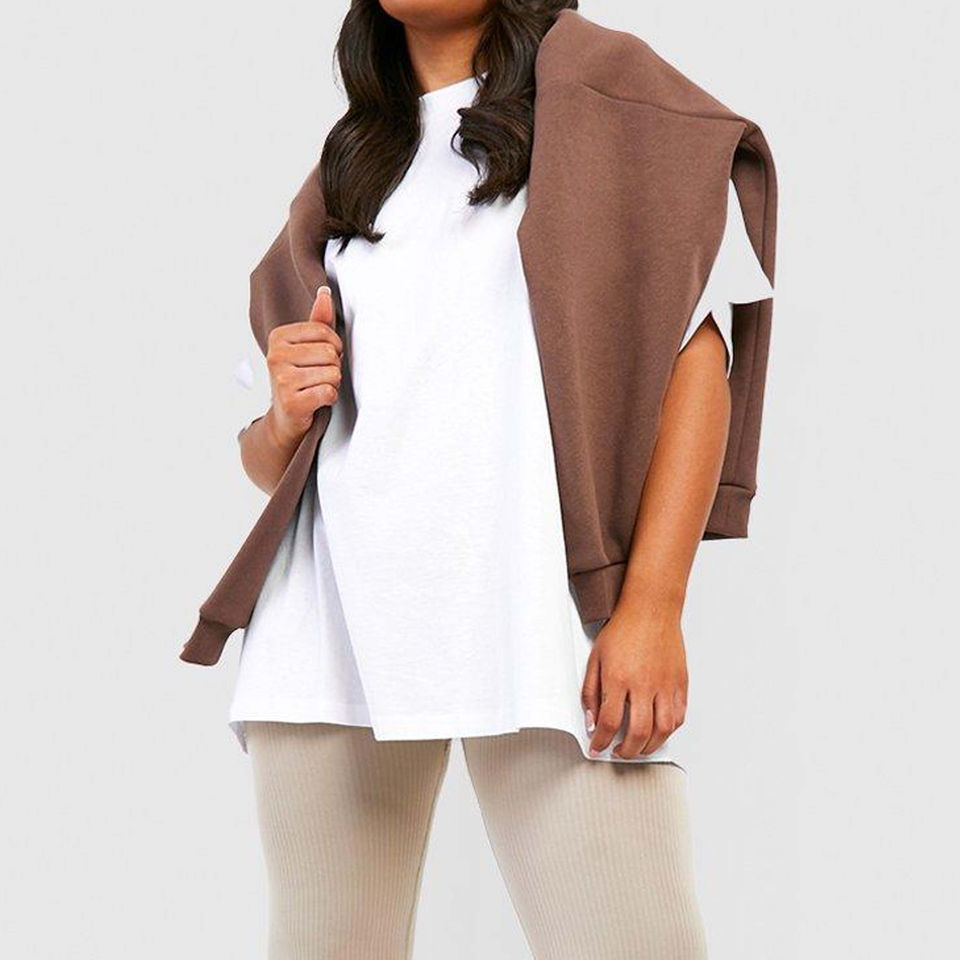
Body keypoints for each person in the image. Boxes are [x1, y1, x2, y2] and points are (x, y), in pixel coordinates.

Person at [183, 2, 777, 957]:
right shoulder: (352, 162)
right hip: (331, 632)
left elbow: (695, 360)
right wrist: (284, 417)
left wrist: (652, 609)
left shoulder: (612, 96)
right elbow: (273, 465)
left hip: (542, 623)